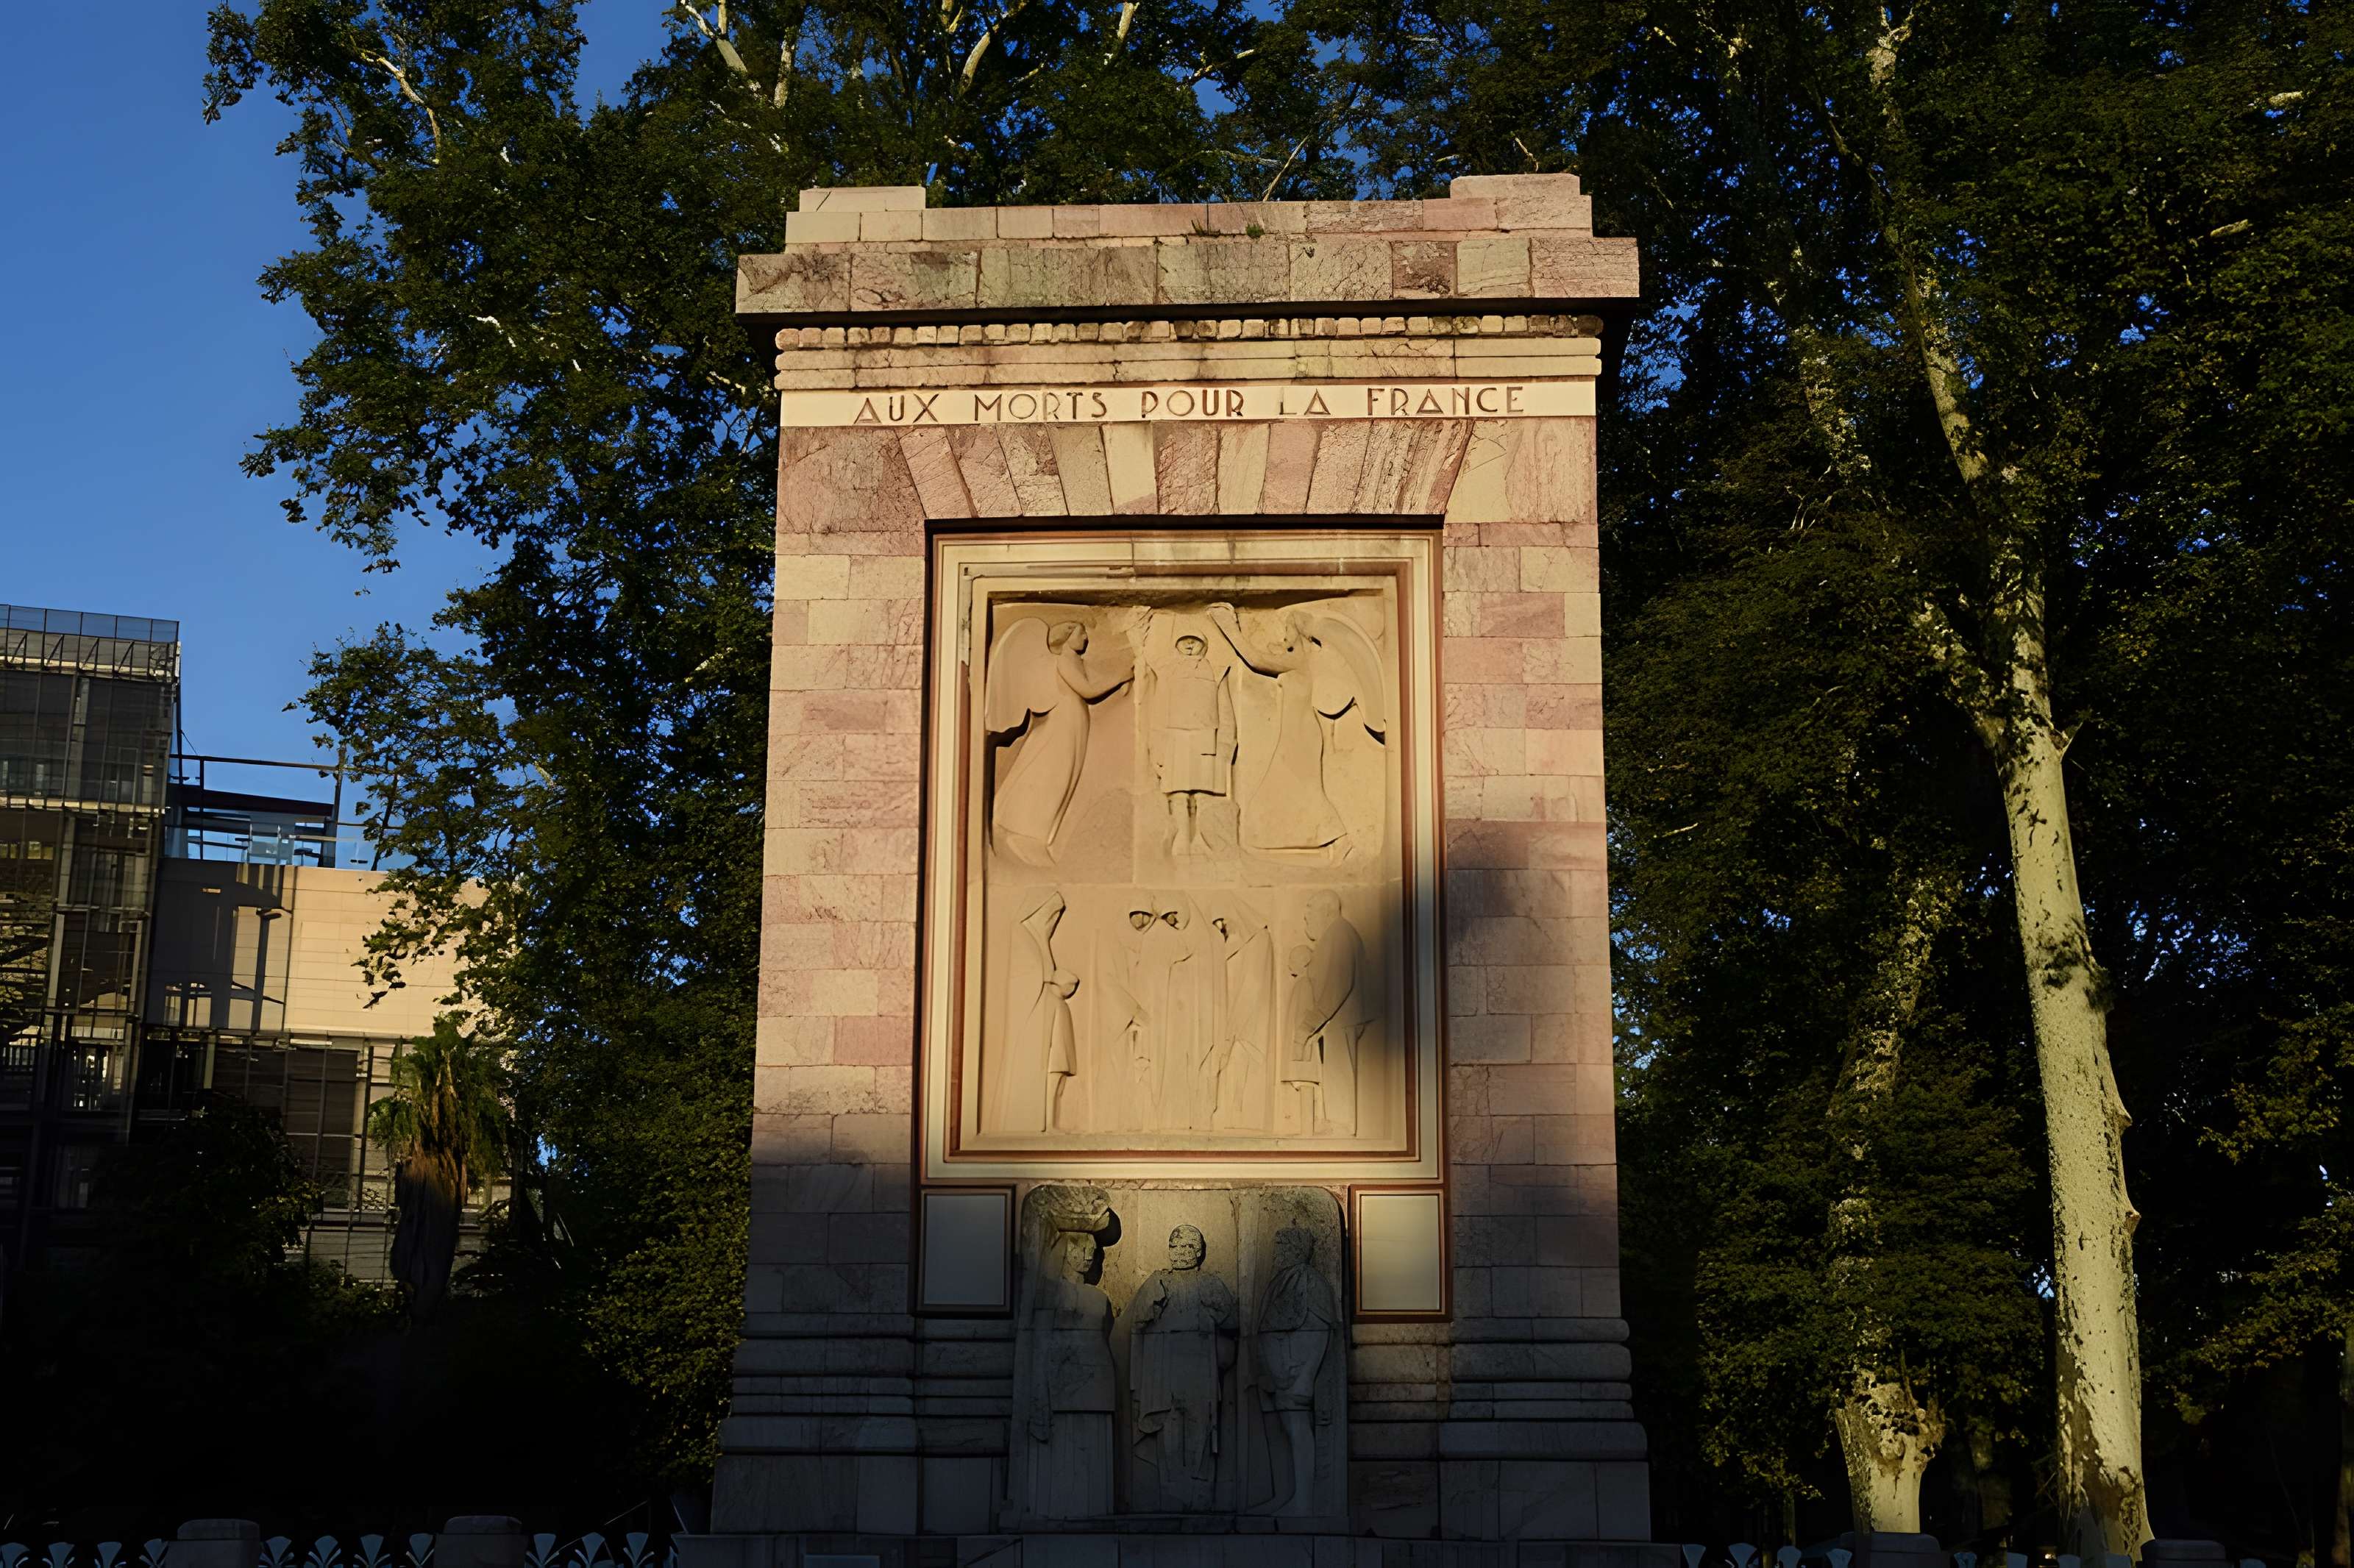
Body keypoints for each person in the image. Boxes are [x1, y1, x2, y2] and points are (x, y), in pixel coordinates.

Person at [984, 616, 1137, 866]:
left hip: (1073, 722)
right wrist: (1120, 677)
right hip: (1063, 721)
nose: (1086, 638)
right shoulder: (1063, 661)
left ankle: (1037, 836)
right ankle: (1027, 834)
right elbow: (1088, 689)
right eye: (1081, 633)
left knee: (1063, 776)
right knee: (1053, 776)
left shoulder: (1073, 661)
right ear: (1067, 637)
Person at [1128, 1223, 1239, 1510]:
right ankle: (1172, 1494)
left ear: (1199, 1251)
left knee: (1200, 1431)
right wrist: (1153, 1301)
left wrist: (1215, 1309)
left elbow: (1232, 1320)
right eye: (1175, 1246)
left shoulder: (1210, 1283)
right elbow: (1138, 1320)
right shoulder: (1158, 1280)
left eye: (1188, 1246)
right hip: (1165, 1372)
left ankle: (1200, 1496)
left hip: (1201, 1370)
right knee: (1171, 1431)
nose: (1180, 1253)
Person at [1254, 1225, 1339, 1515]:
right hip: (1275, 1373)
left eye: (1284, 1246)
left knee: (1297, 1427)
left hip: (1295, 1373)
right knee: (1278, 1431)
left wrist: (1305, 1377)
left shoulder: (1310, 1281)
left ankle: (1302, 1501)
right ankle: (1284, 1494)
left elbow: (1319, 1331)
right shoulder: (1281, 1280)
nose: (1279, 1251)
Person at [1143, 630, 1236, 858]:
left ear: (1204, 645)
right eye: (1185, 641)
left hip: (1206, 736)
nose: (1190, 646)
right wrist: (1157, 745)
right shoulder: (1168, 674)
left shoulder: (1215, 672)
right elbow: (1159, 710)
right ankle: (1182, 838)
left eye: (1195, 641)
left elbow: (1225, 710)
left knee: (1205, 793)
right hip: (1176, 736)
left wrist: (1226, 742)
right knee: (1178, 792)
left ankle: (1204, 839)